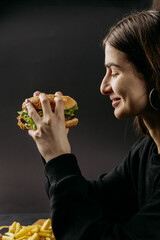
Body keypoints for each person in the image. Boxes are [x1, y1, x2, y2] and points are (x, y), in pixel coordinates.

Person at [25, 10, 160, 239]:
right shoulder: (146, 152)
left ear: (153, 73)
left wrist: (59, 159)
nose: (103, 87)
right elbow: (93, 200)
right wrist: (54, 156)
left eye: (114, 73)